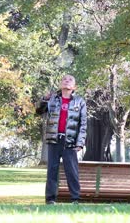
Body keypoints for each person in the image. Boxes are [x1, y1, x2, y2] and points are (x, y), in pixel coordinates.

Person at [36, 74, 87, 204]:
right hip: (54, 141)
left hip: (70, 142)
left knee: (72, 172)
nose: (67, 81)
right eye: (64, 79)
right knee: (52, 171)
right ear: (60, 84)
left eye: (70, 80)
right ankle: (50, 199)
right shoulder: (52, 99)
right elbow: (38, 111)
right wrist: (43, 99)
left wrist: (80, 143)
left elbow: (83, 124)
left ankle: (75, 199)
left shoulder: (80, 101)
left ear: (74, 86)